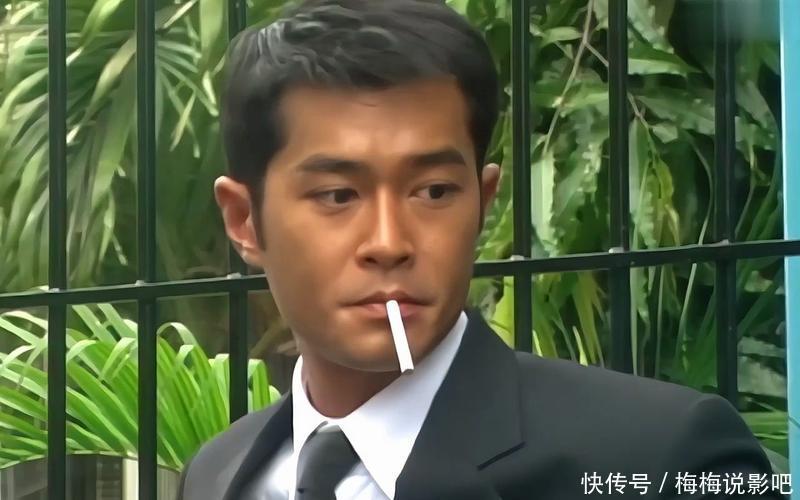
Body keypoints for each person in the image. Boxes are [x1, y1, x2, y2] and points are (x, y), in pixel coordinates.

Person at [177, 0, 785, 498]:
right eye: (338, 195)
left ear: (483, 200)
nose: (389, 242)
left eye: (435, 191)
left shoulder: (664, 459)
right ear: (245, 221)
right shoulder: (218, 474)